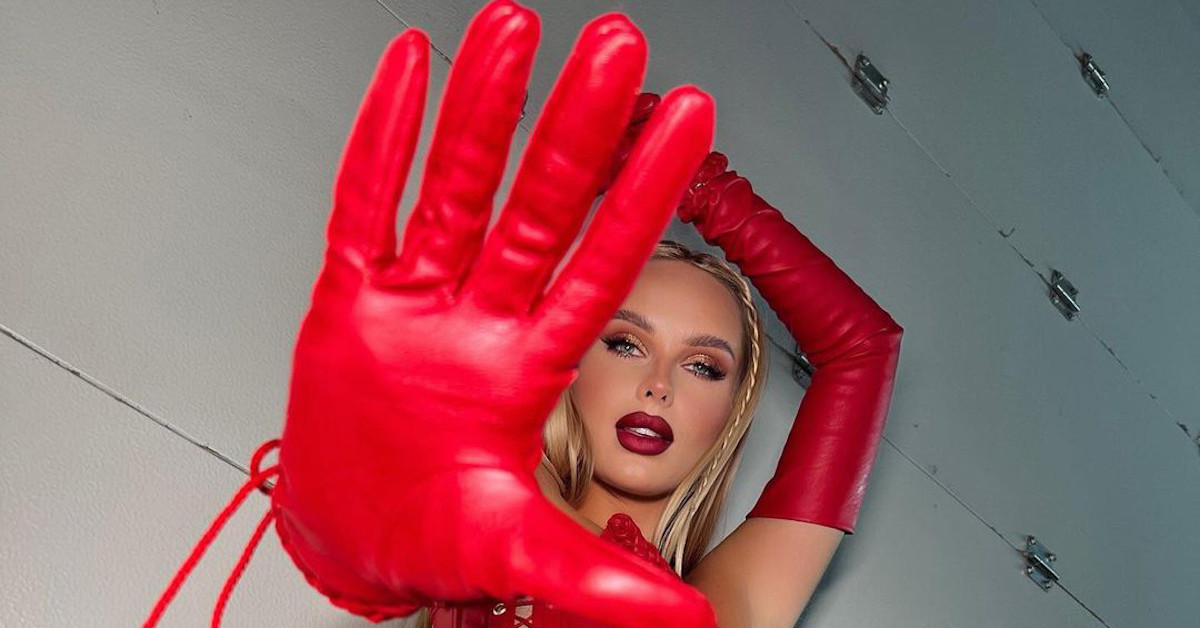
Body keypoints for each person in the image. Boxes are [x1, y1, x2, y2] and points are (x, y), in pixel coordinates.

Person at [143, 2, 903, 627]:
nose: (659, 385)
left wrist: (708, 194)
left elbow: (863, 348)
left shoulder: (730, 607)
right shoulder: (479, 505)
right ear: (567, 362)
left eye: (703, 365)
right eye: (624, 343)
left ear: (731, 412)